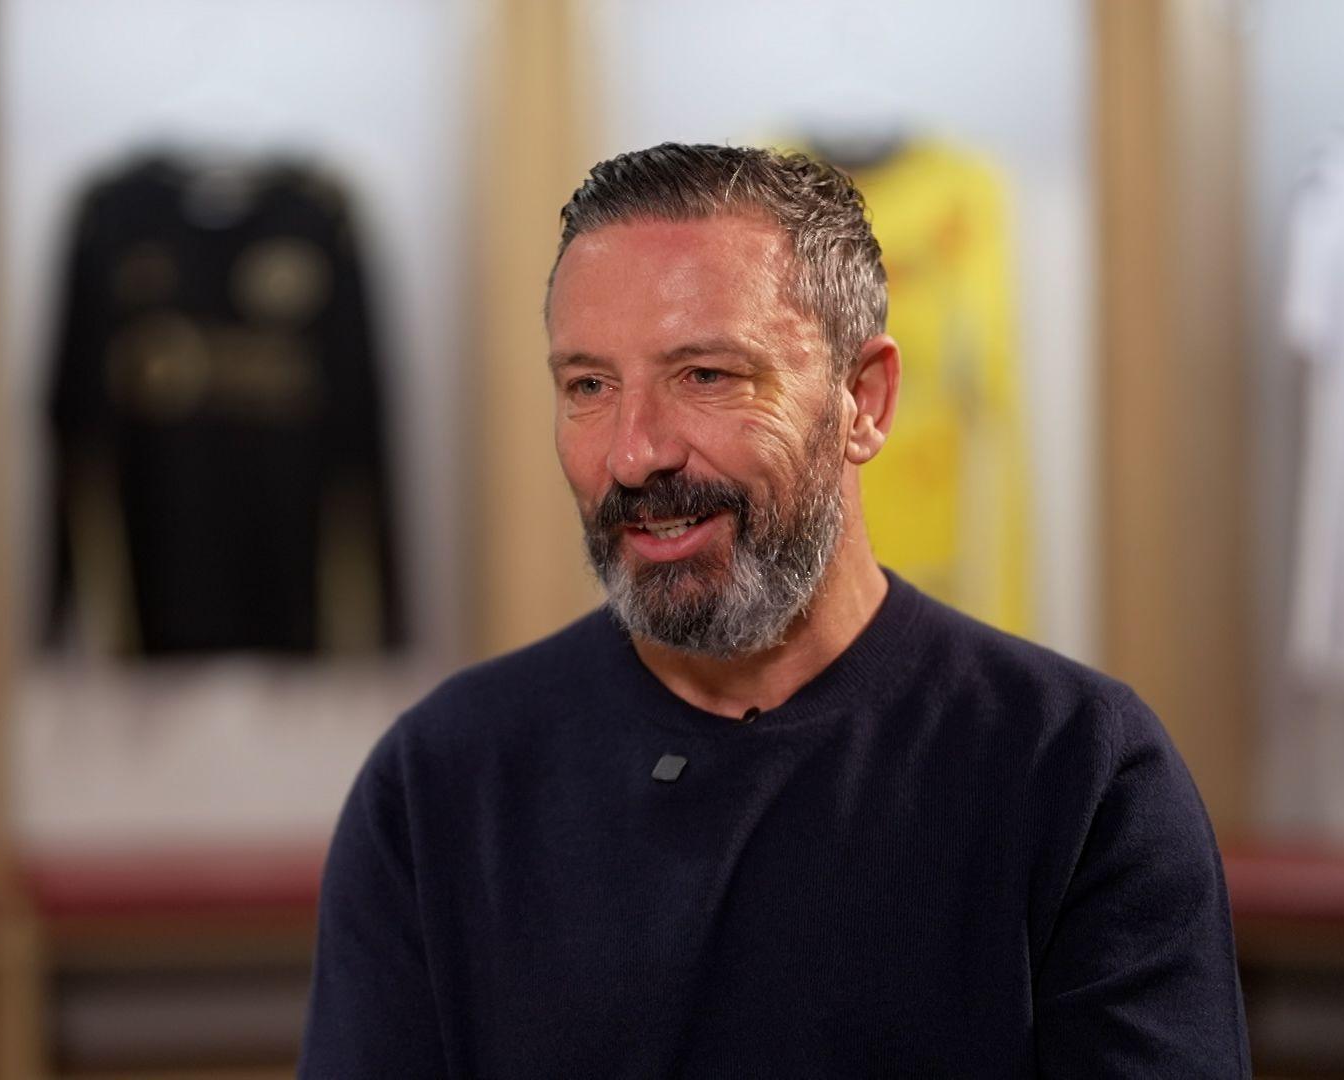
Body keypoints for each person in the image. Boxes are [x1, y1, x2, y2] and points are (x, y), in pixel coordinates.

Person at [299, 143, 1249, 1077]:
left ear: (864, 401)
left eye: (706, 376)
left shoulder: (1078, 772)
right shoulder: (440, 781)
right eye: (589, 386)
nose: (635, 455)